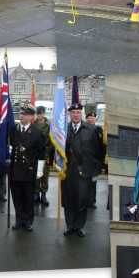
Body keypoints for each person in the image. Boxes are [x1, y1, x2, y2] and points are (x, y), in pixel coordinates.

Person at [62, 101, 105, 237]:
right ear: (69, 114)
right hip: (68, 171)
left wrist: (96, 171)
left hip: (84, 171)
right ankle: (70, 226)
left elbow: (99, 152)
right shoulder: (63, 129)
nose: (75, 115)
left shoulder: (91, 130)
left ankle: (79, 226)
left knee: (82, 200)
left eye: (78, 112)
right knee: (69, 200)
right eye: (73, 112)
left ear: (81, 114)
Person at [9, 105, 46, 231]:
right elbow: (11, 147)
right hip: (14, 170)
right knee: (17, 197)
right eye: (20, 113)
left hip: (29, 170)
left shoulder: (37, 132)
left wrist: (40, 170)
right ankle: (19, 220)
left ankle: (28, 221)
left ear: (31, 117)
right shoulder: (14, 130)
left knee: (28, 198)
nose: (21, 116)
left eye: (24, 114)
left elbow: (42, 152)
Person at [33, 105, 52, 206]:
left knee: (45, 175)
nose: (40, 115)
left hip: (45, 153)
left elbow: (52, 141)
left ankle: (43, 194)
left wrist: (48, 151)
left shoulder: (49, 125)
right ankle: (36, 193)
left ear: (44, 113)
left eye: (41, 113)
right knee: (36, 174)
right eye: (38, 113)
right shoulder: (33, 124)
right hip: (35, 154)